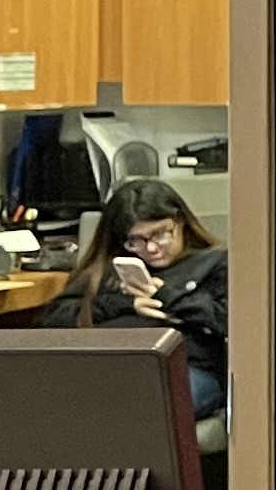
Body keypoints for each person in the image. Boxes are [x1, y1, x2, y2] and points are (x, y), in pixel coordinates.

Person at [63, 178, 227, 420]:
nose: (151, 249)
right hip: (109, 366)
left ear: (180, 222)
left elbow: (229, 322)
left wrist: (167, 295)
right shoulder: (105, 270)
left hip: (186, 369)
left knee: (136, 403)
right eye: (136, 240)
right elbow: (54, 320)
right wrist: (125, 304)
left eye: (160, 234)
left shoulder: (214, 263)